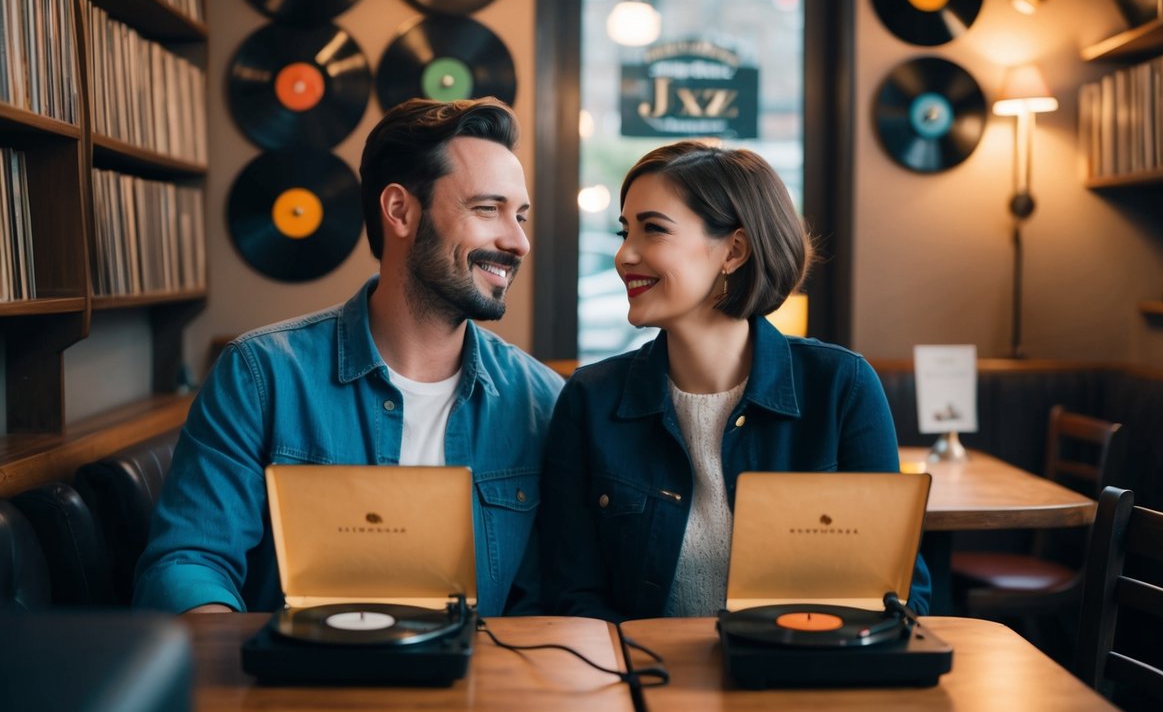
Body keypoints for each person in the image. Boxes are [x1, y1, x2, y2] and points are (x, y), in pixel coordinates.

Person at [134, 98, 564, 616]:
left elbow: (551, 599)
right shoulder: (260, 375)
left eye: (519, 215)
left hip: (474, 689)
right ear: (400, 210)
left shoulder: (542, 401)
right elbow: (188, 561)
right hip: (299, 686)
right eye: (487, 209)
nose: (518, 241)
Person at [540, 141, 930, 621]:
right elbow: (568, 592)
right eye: (625, 233)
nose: (624, 255)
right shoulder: (592, 398)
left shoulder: (840, 387)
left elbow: (900, 590)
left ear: (734, 251)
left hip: (800, 679)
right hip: (639, 682)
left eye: (653, 230)